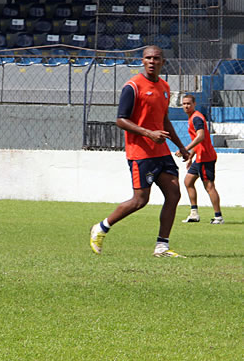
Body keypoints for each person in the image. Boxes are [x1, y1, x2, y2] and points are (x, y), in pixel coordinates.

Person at [89, 45, 191, 258]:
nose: (152, 61)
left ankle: (162, 246)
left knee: (173, 194)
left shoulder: (164, 87)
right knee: (140, 200)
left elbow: (164, 120)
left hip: (161, 152)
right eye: (148, 58)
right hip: (140, 153)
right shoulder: (132, 87)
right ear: (142, 61)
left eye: (156, 58)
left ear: (163, 62)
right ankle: (102, 226)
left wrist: (181, 146)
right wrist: (148, 133)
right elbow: (120, 120)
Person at [176, 94, 224, 224]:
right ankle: (194, 214)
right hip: (200, 156)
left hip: (205, 157)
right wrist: (191, 156)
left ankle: (218, 217)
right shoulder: (192, 117)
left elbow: (201, 136)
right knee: (188, 181)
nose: (186, 106)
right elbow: (198, 142)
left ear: (194, 104)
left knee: (209, 186)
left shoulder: (196, 118)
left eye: (188, 103)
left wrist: (185, 149)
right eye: (184, 104)